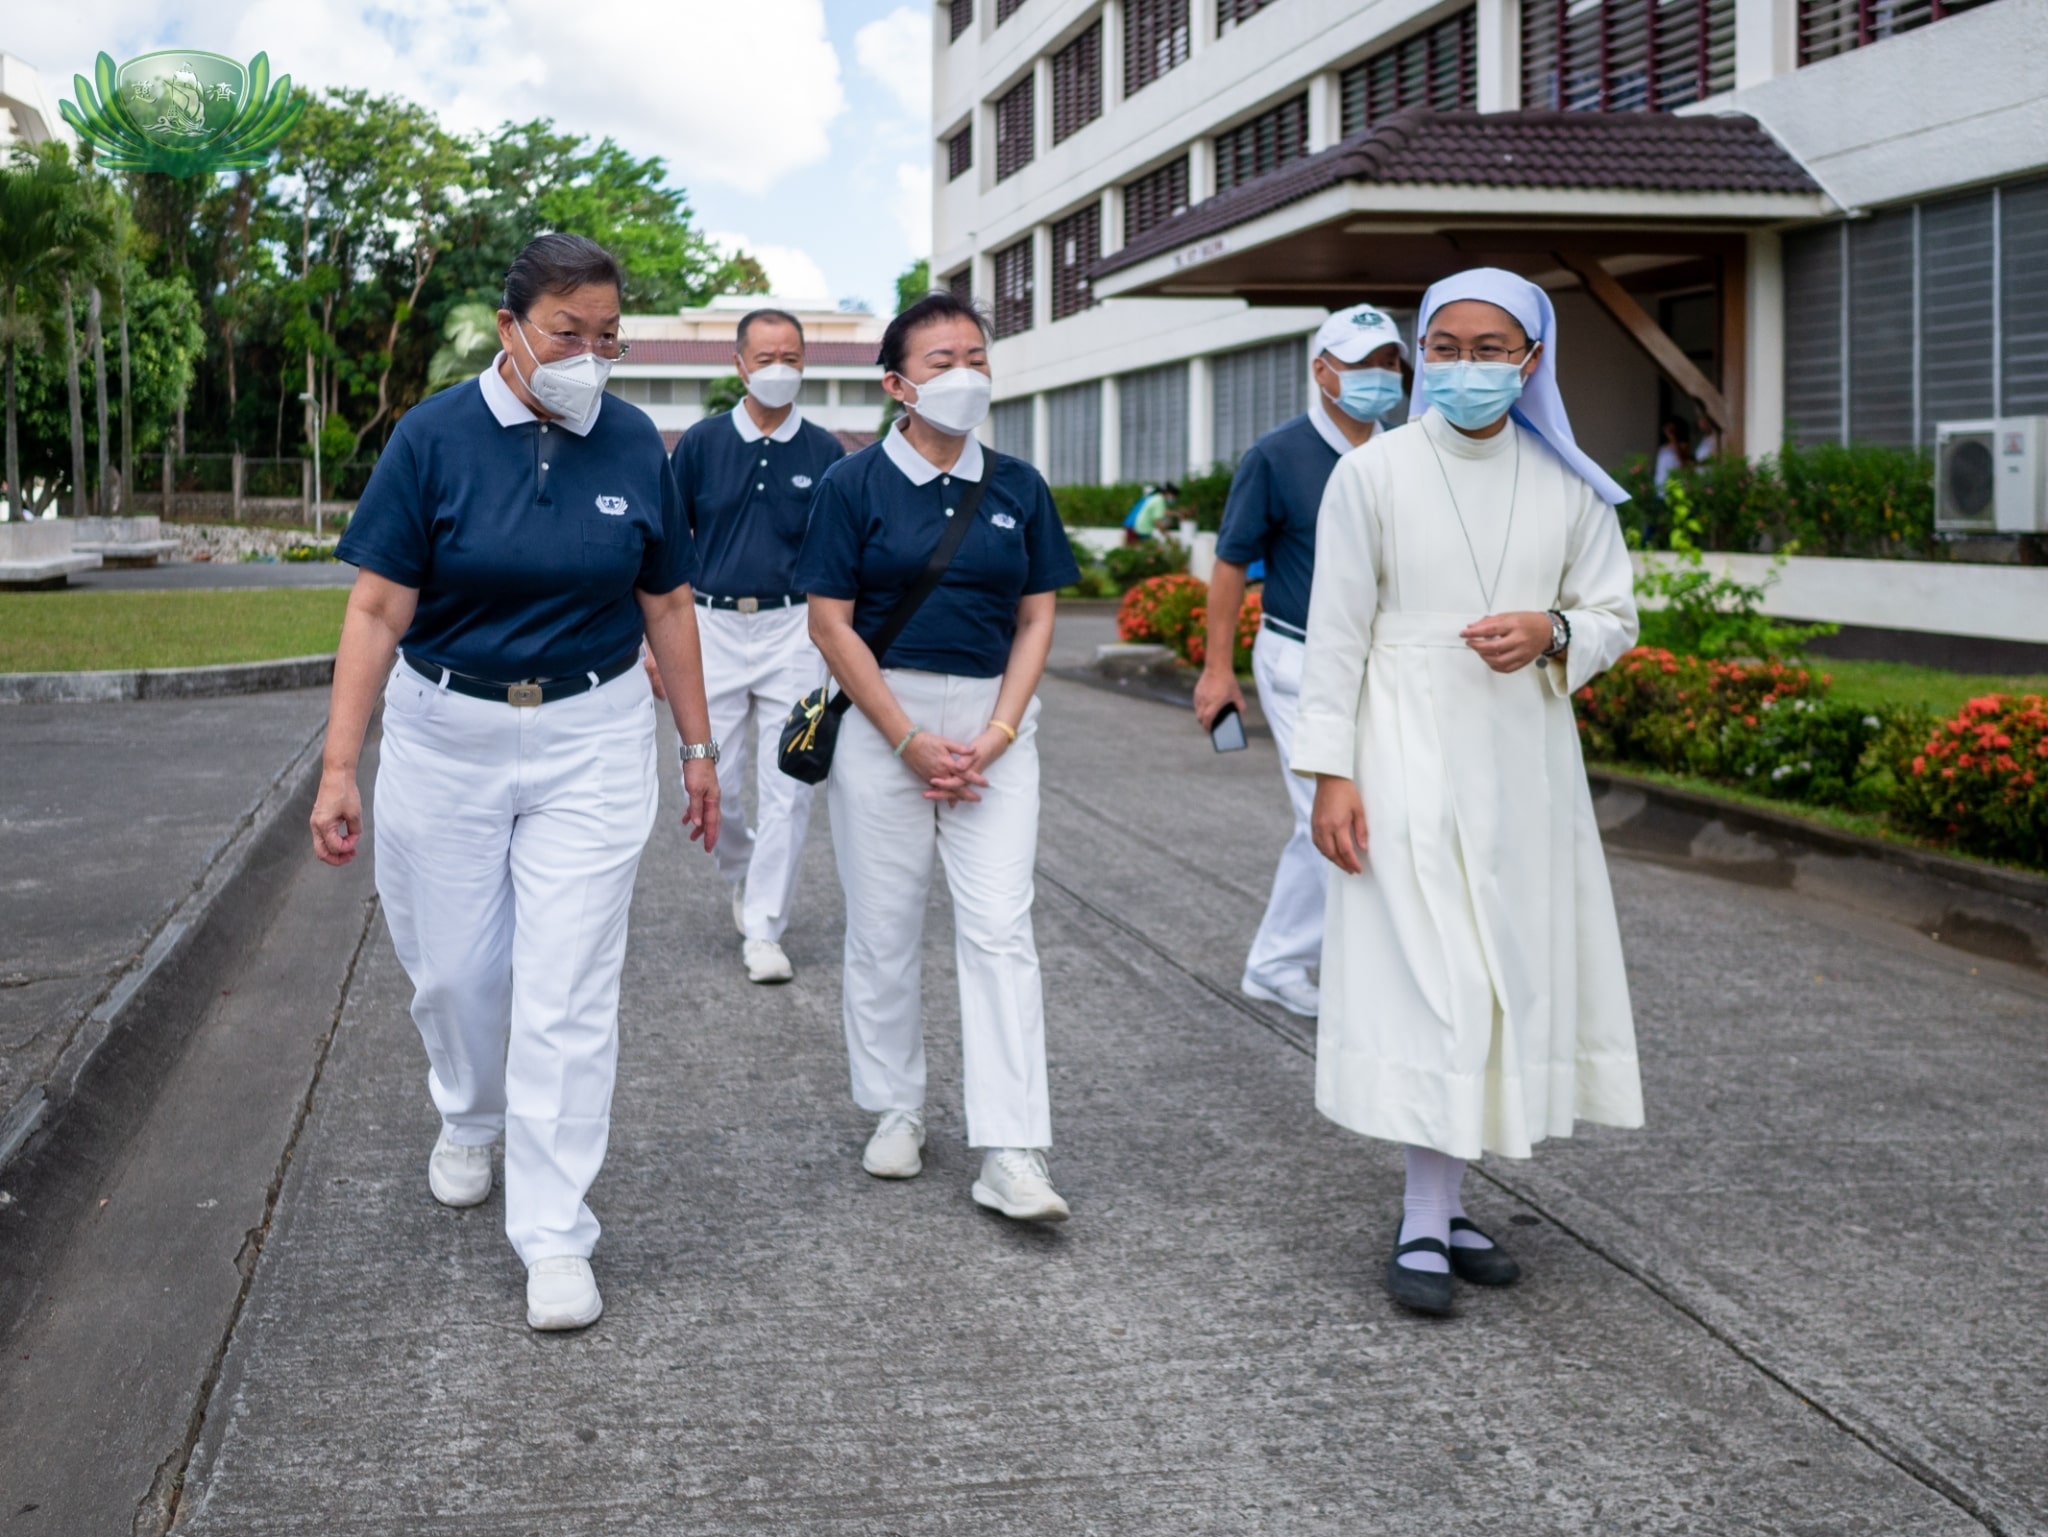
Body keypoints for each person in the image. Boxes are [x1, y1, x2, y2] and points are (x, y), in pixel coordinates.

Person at [310, 233, 722, 1333]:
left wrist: (696, 747)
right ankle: (468, 1111)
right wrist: (340, 765)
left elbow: (668, 603)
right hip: (447, 731)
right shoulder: (432, 436)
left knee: (567, 988)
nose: (589, 356)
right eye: (565, 335)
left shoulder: (635, 442)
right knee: (454, 975)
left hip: (588, 734)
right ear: (508, 330)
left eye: (606, 338)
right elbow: (376, 610)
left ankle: (554, 1232)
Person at [1291, 268, 1644, 1316]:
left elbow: (1613, 612)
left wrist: (1554, 631)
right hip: (1397, 744)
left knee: (1498, 980)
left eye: (1492, 349)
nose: (1465, 366)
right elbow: (1335, 633)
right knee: (1432, 977)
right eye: (1443, 346)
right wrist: (1329, 773)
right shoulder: (1371, 474)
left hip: (1519, 756)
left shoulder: (1567, 484)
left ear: (1530, 360)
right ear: (1419, 353)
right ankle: (1419, 1220)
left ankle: (1442, 1208)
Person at [794, 292, 1081, 1222]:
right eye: (942, 360)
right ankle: (895, 1107)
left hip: (997, 724)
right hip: (887, 720)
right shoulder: (852, 486)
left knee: (1000, 928)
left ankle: (1011, 1147)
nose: (965, 375)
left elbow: (1038, 612)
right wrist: (908, 738)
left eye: (977, 357)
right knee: (883, 927)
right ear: (897, 384)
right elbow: (829, 623)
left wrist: (999, 729)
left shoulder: (1019, 487)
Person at [1194, 304, 1409, 1020]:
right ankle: (1281, 963)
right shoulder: (1276, 455)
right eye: (1360, 363)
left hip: (1380, 661)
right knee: (1325, 816)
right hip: (1299, 657)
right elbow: (1229, 566)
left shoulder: (1406, 450)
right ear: (1321, 370)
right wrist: (1217, 670)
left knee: (1371, 816)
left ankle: (1300, 958)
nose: (1379, 378)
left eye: (1388, 363)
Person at [656, 308, 844, 985]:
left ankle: (765, 927)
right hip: (710, 627)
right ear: (738, 363)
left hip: (794, 630)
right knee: (718, 784)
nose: (779, 369)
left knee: (791, 782)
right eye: (765, 357)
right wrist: (654, 644)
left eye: (791, 357)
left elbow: (837, 557)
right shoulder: (701, 444)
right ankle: (744, 868)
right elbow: (668, 549)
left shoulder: (825, 453)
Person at [1122, 481, 1179, 545]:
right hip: (1138, 527)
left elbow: (1162, 511)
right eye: (1174, 496)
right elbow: (1157, 521)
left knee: (1137, 550)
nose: (1173, 498)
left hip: (1133, 525)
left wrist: (1176, 514)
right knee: (1148, 550)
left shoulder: (1154, 498)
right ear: (1169, 493)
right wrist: (1168, 536)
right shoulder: (1159, 500)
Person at [1653, 415, 1690, 491]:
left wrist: (1673, 439)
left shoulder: (1683, 445)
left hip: (1674, 484)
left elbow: (1683, 461)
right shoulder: (1663, 447)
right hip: (1660, 484)